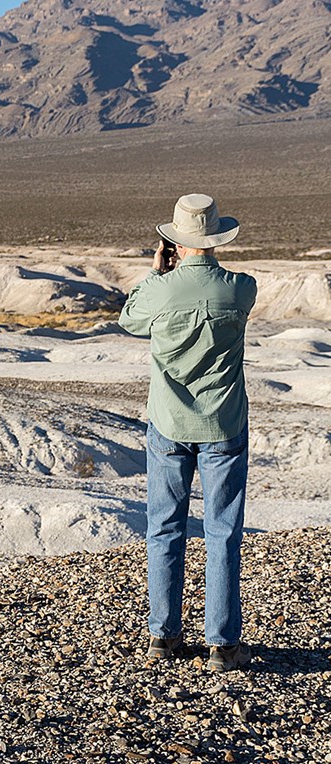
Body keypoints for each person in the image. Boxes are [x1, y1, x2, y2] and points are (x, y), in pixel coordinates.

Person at [118, 193, 257, 672]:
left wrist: (158, 272)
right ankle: (222, 643)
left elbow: (129, 319)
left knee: (165, 528)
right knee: (222, 533)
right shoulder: (240, 287)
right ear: (217, 239)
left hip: (169, 424)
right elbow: (234, 295)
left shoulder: (161, 289)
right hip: (224, 424)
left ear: (174, 242)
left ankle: (163, 636)